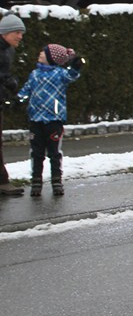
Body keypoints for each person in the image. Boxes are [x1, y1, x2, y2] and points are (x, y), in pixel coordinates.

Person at [17, 43, 83, 197]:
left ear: (52, 58)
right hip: (36, 119)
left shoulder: (60, 74)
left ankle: (56, 181)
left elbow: (72, 75)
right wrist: (17, 99)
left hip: (54, 119)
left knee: (54, 153)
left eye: (44, 52)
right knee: (36, 152)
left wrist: (76, 64)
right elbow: (26, 89)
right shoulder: (34, 74)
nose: (40, 53)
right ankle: (36, 181)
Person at [0, 13, 26, 196]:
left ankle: (2, 180)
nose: (20, 36)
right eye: (17, 32)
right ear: (5, 32)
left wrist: (11, 83)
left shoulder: (8, 49)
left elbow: (4, 74)